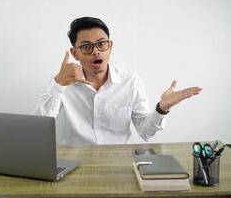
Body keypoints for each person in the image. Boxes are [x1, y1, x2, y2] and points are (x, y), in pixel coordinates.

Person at [33, 17, 202, 146]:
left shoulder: (130, 81)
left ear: (110, 46)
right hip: (76, 162)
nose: (96, 51)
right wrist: (58, 83)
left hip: (119, 163)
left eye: (101, 44)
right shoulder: (63, 82)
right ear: (75, 53)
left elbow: (146, 133)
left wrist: (161, 109)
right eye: (86, 46)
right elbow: (38, 129)